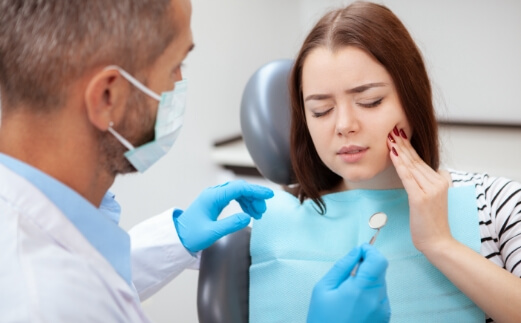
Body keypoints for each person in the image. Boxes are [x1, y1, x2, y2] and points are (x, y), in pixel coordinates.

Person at [0, 0, 389, 322]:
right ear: (108, 98)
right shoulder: (43, 302)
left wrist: (175, 238)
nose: (179, 84)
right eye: (174, 68)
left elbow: (94, 272)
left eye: (370, 101)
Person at [249, 2, 521, 323]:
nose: (344, 124)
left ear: (411, 98)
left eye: (370, 101)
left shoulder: (496, 203)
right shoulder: (268, 225)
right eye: (321, 110)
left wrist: (441, 244)